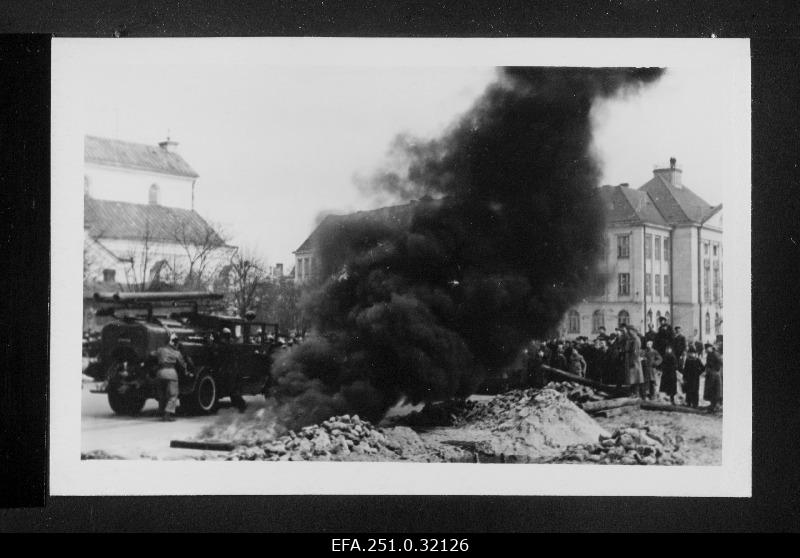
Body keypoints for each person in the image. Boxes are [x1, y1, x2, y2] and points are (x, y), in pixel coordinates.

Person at [155, 332, 187, 421]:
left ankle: (161, 412)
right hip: (171, 374)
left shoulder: (160, 350)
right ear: (176, 343)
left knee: (162, 395)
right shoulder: (177, 353)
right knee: (173, 395)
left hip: (160, 373)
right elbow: (183, 364)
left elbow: (152, 354)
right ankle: (167, 415)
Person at [624, 325, 644, 396]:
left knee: (635, 377)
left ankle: (636, 393)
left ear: (632, 330)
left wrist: (633, 361)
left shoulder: (636, 339)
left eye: (629, 330)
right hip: (630, 359)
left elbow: (635, 352)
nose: (628, 332)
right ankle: (633, 393)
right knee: (632, 378)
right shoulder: (631, 339)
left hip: (634, 360)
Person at [703, 343, 723, 412]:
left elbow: (720, 362)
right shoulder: (709, 354)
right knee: (711, 390)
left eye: (707, 348)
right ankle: (712, 404)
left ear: (710, 347)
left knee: (715, 390)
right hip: (710, 374)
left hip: (715, 374)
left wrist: (716, 369)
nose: (706, 350)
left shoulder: (715, 354)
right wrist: (704, 369)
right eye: (705, 349)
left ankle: (716, 405)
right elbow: (707, 363)